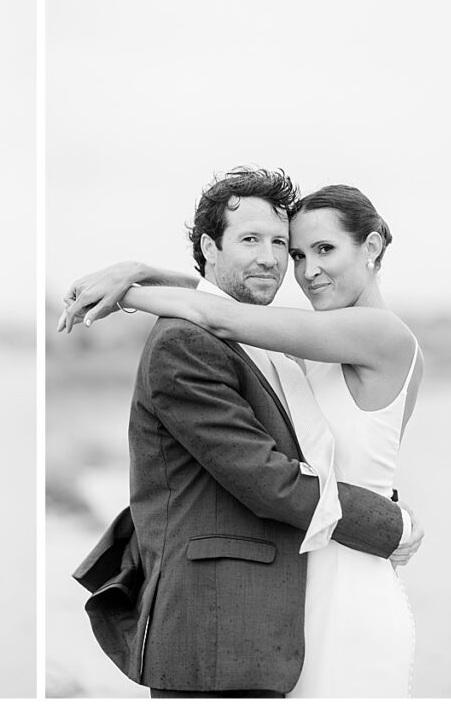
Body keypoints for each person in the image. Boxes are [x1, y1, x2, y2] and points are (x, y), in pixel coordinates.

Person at [64, 168, 422, 698]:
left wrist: (132, 289)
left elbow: (225, 313)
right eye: (299, 254)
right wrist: (142, 273)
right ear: (211, 246)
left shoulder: (376, 332)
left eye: (314, 249)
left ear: (371, 247)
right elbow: (223, 304)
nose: (299, 268)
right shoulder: (313, 336)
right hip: (307, 571)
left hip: (348, 568)